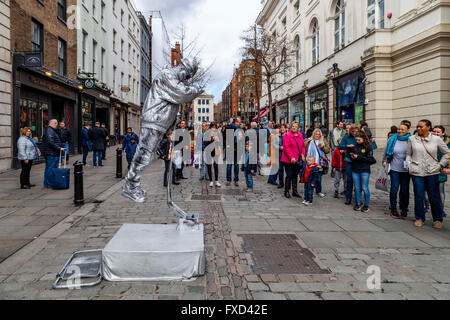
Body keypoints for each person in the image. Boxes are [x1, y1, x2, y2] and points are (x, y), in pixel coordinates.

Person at [406, 120, 449, 229]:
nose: (419, 128)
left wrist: (440, 165)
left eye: (421, 127)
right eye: (418, 126)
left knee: (434, 196)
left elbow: (446, 153)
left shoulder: (436, 139)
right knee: (419, 195)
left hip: (432, 171)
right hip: (416, 171)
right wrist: (409, 166)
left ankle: (437, 219)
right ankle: (419, 218)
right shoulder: (412, 139)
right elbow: (408, 155)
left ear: (428, 127)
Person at [383, 122, 411, 219]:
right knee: (394, 188)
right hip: (394, 168)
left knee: (404, 190)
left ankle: (404, 208)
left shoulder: (411, 140)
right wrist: (384, 162)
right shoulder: (392, 139)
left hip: (406, 170)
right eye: (399, 129)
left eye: (403, 129)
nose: (400, 131)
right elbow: (386, 151)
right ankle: (393, 209)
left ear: (407, 130)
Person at [350, 131, 376, 212]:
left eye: (359, 140)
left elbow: (372, 160)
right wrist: (352, 156)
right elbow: (352, 157)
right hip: (355, 169)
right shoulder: (355, 146)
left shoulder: (368, 147)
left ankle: (366, 205)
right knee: (357, 188)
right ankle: (358, 203)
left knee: (365, 188)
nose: (357, 141)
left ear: (363, 139)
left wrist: (358, 157)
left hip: (364, 170)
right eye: (356, 140)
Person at [280, 121, 305, 199]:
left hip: (297, 159)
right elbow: (286, 148)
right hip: (288, 159)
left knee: (295, 175)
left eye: (296, 126)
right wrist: (291, 157)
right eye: (293, 126)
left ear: (298, 128)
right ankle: (286, 191)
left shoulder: (300, 135)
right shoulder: (287, 135)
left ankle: (295, 191)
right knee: (289, 175)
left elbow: (303, 146)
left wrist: (303, 154)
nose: (294, 127)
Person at [305, 128, 331, 198]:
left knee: (318, 178)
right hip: (310, 162)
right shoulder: (309, 141)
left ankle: (318, 191)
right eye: (316, 134)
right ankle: (310, 190)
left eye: (319, 134)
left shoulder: (323, 141)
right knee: (310, 177)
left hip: (319, 163)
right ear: (314, 134)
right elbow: (305, 149)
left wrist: (323, 147)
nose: (317, 135)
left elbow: (328, 150)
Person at [338, 124, 359, 205]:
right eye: (353, 132)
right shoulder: (346, 137)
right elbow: (340, 147)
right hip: (349, 160)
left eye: (356, 131)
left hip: (358, 161)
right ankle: (348, 197)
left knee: (358, 181)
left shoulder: (360, 136)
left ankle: (358, 198)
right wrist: (347, 146)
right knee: (349, 180)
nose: (354, 133)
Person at [41, 119, 66, 188]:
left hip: (52, 153)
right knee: (50, 169)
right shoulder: (49, 130)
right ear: (52, 123)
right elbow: (50, 142)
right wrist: (59, 148)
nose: (56, 125)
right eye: (56, 123)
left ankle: (48, 183)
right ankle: (49, 183)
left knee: (49, 168)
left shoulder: (51, 130)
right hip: (51, 153)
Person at [432, 125, 450, 217]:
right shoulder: (429, 141)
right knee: (427, 191)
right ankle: (428, 206)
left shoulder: (447, 143)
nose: (435, 133)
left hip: (441, 169)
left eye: (437, 132)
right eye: (434, 131)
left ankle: (441, 210)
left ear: (443, 133)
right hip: (429, 170)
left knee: (440, 191)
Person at [226, 117, 242, 186]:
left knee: (236, 165)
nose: (240, 123)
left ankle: (236, 180)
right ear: (235, 122)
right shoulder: (230, 127)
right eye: (239, 122)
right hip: (230, 149)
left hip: (237, 150)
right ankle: (229, 180)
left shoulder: (239, 129)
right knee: (229, 165)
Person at [204, 123, 222, 188]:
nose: (214, 129)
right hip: (208, 151)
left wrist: (218, 141)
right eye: (213, 127)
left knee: (216, 166)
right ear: (210, 128)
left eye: (215, 127)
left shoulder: (218, 134)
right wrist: (212, 139)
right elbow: (205, 143)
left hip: (216, 151)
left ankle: (216, 181)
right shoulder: (206, 133)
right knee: (209, 166)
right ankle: (211, 181)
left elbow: (220, 143)